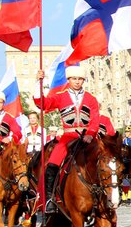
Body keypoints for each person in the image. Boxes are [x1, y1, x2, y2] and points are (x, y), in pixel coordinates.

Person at [34, 65, 101, 216]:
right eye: (74, 79)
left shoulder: (91, 98)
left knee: (104, 160)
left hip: (87, 137)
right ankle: (50, 199)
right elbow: (42, 104)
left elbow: (95, 119)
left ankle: (105, 196)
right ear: (69, 80)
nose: (77, 82)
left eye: (80, 79)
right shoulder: (60, 96)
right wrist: (38, 84)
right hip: (68, 138)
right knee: (52, 165)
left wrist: (90, 133)